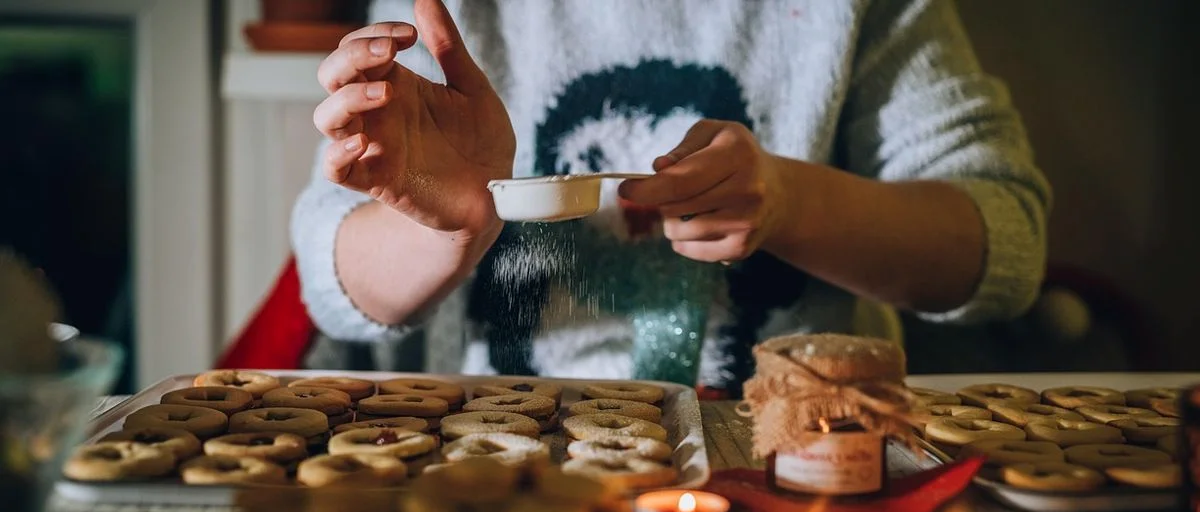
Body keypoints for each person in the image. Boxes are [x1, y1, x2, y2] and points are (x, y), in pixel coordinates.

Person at [290, 0, 1050, 393]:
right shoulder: (446, 12)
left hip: (796, 469)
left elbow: (1002, 246)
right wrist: (447, 231)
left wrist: (789, 202)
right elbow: (335, 278)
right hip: (511, 475)